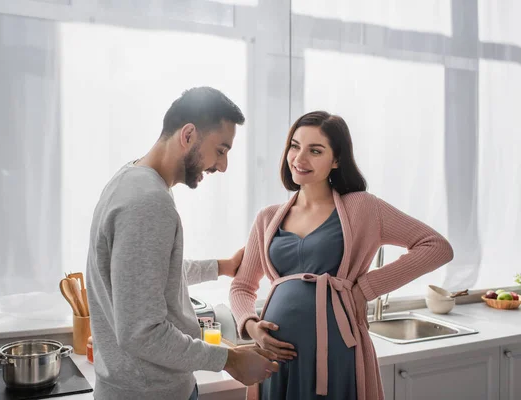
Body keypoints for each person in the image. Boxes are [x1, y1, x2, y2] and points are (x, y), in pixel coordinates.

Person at [230, 111, 454, 400]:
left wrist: (365, 289)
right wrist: (251, 326)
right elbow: (242, 286)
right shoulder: (267, 217)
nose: (299, 158)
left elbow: (436, 246)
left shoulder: (362, 208)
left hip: (335, 351)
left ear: (336, 160)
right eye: (295, 146)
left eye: (315, 150)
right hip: (277, 357)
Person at [86, 87, 279, 400]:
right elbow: (141, 333)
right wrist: (230, 360)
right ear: (188, 135)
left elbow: (151, 276)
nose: (223, 166)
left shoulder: (130, 180)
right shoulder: (148, 203)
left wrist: (222, 267)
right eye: (221, 150)